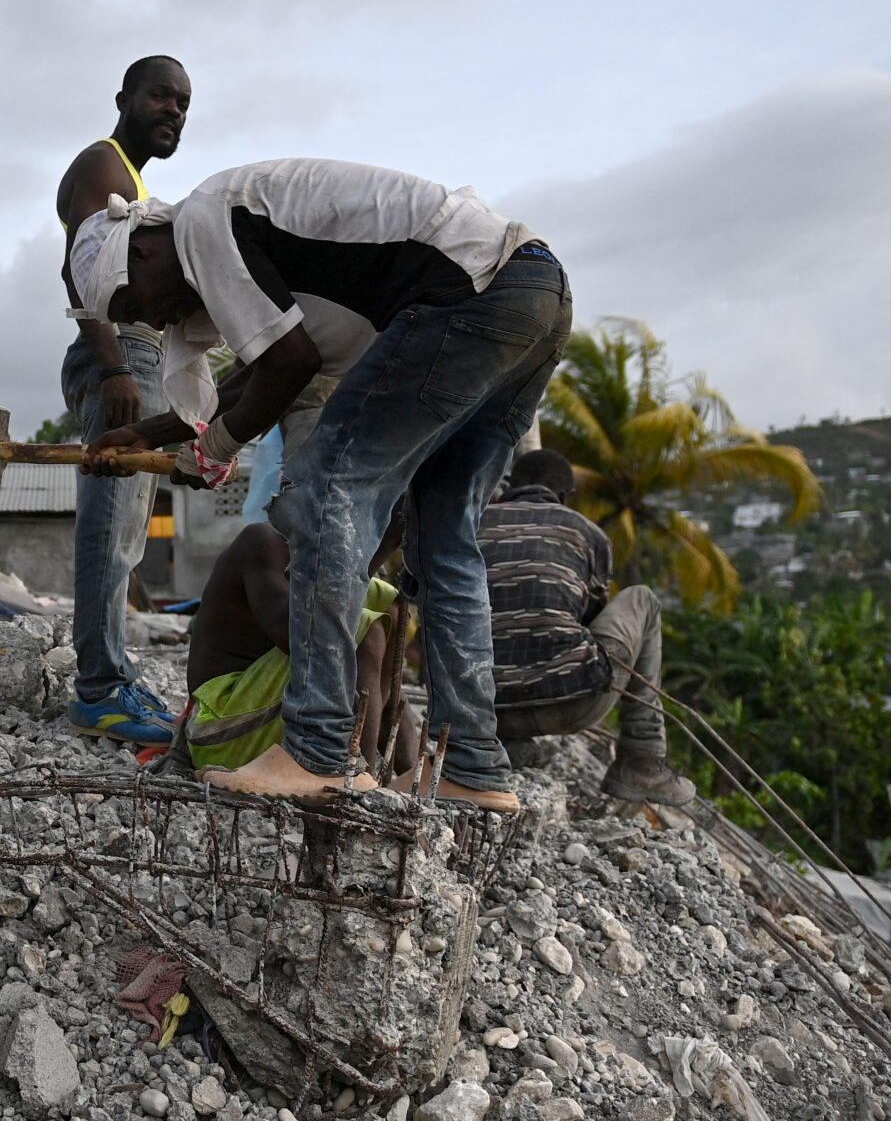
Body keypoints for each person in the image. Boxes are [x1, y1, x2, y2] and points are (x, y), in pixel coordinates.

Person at [69, 157, 571, 812]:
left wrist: (211, 449)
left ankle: (319, 749)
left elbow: (289, 363)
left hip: (463, 298)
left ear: (142, 246)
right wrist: (158, 434)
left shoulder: (200, 218)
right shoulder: (251, 250)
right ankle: (473, 765)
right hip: (532, 292)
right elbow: (269, 373)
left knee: (323, 491)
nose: (161, 317)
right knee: (443, 539)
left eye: (138, 302)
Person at [52, 55, 192, 745]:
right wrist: (113, 368)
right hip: (121, 353)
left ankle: (112, 675)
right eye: (160, 95)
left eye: (184, 104)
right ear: (125, 98)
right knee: (110, 528)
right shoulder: (105, 166)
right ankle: (99, 691)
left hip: (139, 352)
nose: (173, 110)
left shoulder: (130, 182)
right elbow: (82, 268)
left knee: (128, 535)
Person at [481, 449, 695, 803]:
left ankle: (504, 742)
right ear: (567, 496)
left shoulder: (469, 525)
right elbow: (589, 619)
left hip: (475, 708)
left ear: (509, 487)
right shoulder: (586, 531)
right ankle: (642, 760)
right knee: (643, 599)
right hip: (571, 705)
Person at [180, 502, 416, 777]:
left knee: (391, 611)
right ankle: (356, 780)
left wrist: (411, 774)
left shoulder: (335, 564)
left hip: (269, 722)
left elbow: (390, 682)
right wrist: (382, 546)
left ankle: (395, 773)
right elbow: (301, 637)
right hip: (221, 731)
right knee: (367, 630)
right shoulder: (262, 543)